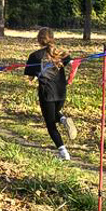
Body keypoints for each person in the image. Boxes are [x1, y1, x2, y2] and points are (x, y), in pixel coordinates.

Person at [24, 27, 77, 160]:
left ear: (38, 40)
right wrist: (70, 78)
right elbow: (74, 64)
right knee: (54, 114)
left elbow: (31, 77)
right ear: (52, 38)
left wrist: (35, 76)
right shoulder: (61, 53)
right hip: (61, 92)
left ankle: (64, 153)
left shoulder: (35, 56)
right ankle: (64, 120)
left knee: (50, 123)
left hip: (46, 93)